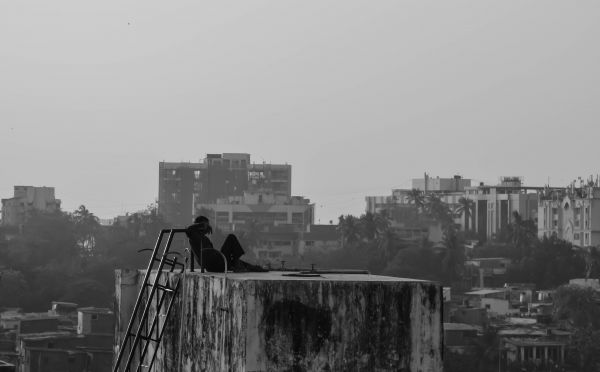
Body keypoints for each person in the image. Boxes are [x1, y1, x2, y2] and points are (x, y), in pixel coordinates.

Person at [185, 216, 267, 272]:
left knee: (237, 261)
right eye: (206, 224)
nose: (208, 227)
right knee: (231, 238)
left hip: (217, 262)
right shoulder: (193, 236)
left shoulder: (204, 238)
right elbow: (188, 229)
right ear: (200, 225)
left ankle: (255, 268)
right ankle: (238, 266)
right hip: (214, 265)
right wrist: (201, 225)